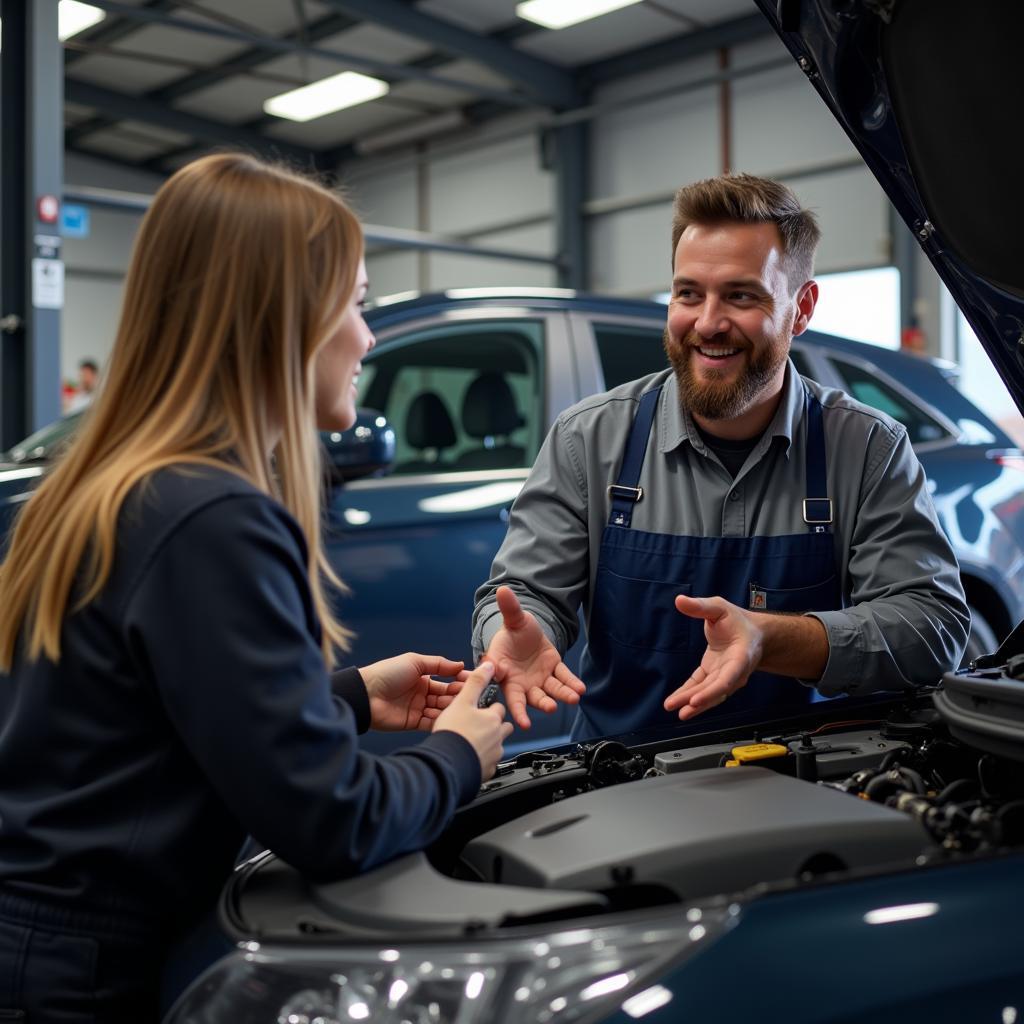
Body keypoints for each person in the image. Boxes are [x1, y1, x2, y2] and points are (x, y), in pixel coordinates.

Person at [0, 153, 511, 1021]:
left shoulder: (115, 482)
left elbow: (138, 726)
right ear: (286, 318)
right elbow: (333, 822)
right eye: (354, 303)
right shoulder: (213, 517)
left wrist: (347, 697)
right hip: (82, 974)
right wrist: (460, 752)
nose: (369, 338)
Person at [472, 173, 970, 741]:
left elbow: (932, 627)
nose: (707, 323)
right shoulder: (588, 439)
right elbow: (525, 592)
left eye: (741, 295)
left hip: (809, 775)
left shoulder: (866, 448)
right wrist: (516, 628)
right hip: (622, 776)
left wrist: (771, 638)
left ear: (801, 308)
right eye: (688, 294)